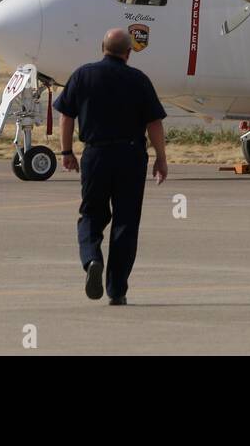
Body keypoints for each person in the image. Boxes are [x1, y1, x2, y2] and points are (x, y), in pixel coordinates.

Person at [54, 28, 169, 305]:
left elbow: (66, 116)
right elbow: (154, 123)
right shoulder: (138, 79)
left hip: (96, 154)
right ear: (129, 53)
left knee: (91, 215)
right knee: (126, 222)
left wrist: (67, 150)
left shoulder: (82, 75)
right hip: (130, 156)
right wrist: (161, 159)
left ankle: (92, 259)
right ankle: (117, 290)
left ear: (101, 47)